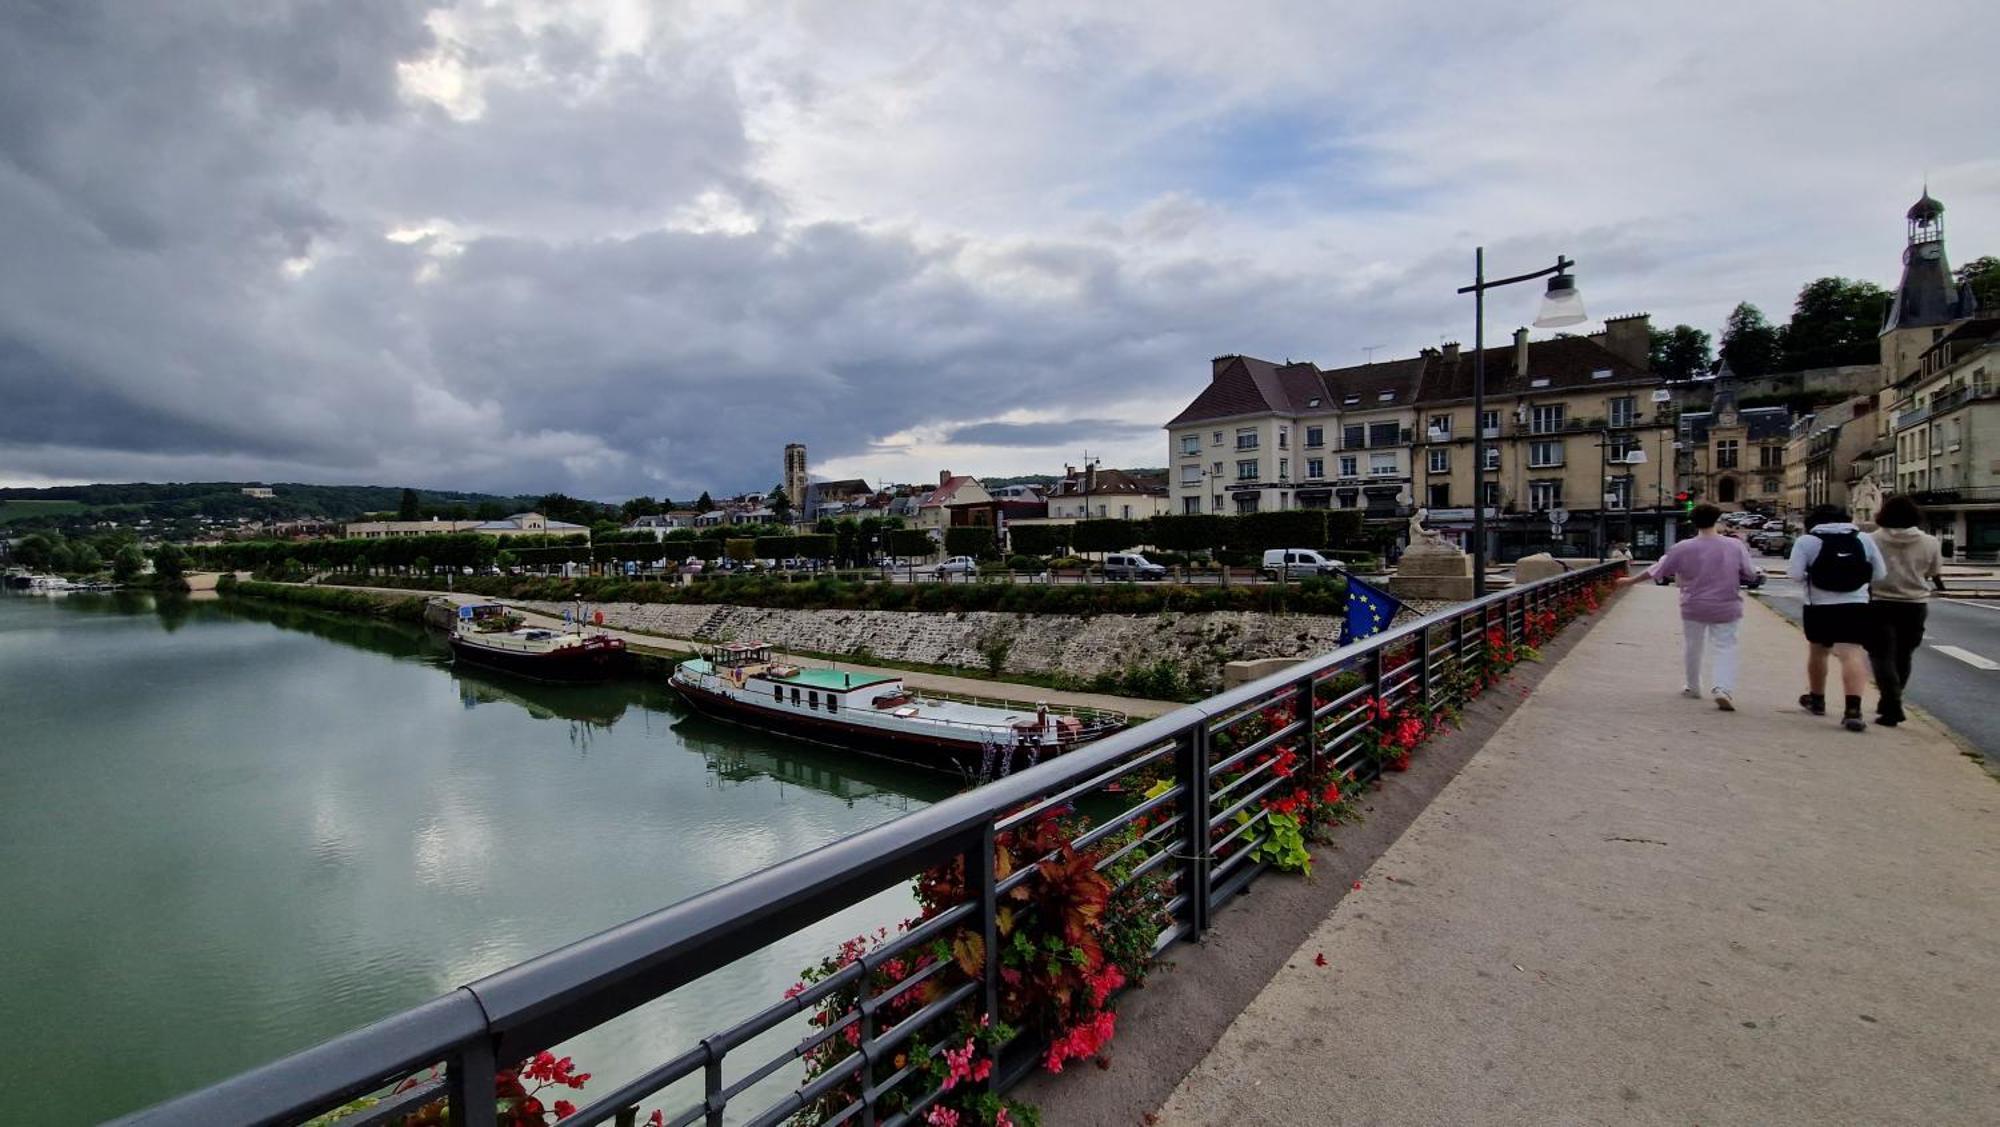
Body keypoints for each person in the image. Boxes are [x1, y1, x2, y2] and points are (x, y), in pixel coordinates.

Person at [1620, 503, 1761, 710]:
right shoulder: (1734, 545)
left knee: (1693, 646)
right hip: (1726, 604)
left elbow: (1658, 569)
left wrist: (1631, 581)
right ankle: (1722, 688)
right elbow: (1749, 572)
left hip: (1693, 604)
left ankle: (1693, 686)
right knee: (1725, 647)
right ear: (1717, 520)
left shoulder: (1682, 547)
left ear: (1693, 522)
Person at [1787, 504, 1888, 732]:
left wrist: (1814, 577)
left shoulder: (1807, 541)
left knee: (1818, 652)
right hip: (1856, 604)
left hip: (1819, 606)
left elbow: (1794, 574)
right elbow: (1880, 574)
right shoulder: (1863, 538)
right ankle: (1853, 710)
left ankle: (1817, 699)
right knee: (1852, 654)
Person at [1866, 495, 1945, 727]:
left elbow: (1865, 568)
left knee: (1881, 655)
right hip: (1914, 604)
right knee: (1903, 655)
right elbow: (1933, 570)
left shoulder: (1871, 540)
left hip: (1879, 601)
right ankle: (1892, 700)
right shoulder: (1930, 542)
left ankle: (1891, 703)